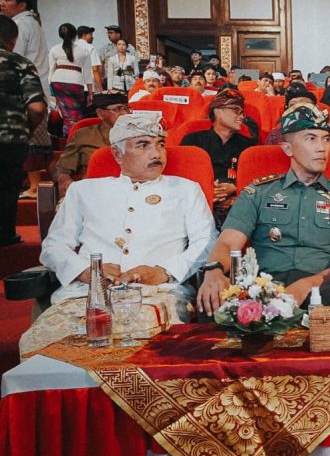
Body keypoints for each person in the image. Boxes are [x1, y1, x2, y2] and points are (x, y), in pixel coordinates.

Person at [27, 111, 216, 354]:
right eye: (142, 145)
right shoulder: (84, 191)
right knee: (46, 345)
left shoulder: (186, 190)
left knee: (134, 342)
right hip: (85, 296)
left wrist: (164, 272)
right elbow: (54, 247)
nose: (156, 153)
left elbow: (207, 242)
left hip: (156, 295)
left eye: (160, 145)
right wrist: (87, 272)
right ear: (117, 154)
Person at [197, 103, 330, 315]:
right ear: (287, 148)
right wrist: (214, 271)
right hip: (263, 285)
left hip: (318, 288)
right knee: (212, 299)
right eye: (311, 138)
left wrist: (306, 286)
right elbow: (228, 243)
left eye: (326, 139)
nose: (322, 148)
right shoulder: (258, 192)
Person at [0, 15, 47, 247]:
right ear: (12, 39)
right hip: (10, 138)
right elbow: (37, 107)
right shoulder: (19, 63)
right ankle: (5, 236)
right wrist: (25, 129)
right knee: (7, 188)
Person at [180, 89, 257, 225]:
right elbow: (181, 177)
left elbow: (256, 180)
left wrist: (235, 187)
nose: (241, 116)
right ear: (218, 111)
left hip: (236, 207)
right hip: (196, 205)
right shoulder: (192, 140)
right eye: (235, 110)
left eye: (242, 112)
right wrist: (208, 189)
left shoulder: (249, 145)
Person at [51, 91, 129, 196]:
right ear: (100, 114)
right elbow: (61, 168)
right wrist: (64, 178)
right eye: (118, 109)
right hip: (93, 193)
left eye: (126, 108)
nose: (125, 113)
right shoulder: (83, 136)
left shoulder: (139, 136)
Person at [0, 0, 48, 76]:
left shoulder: (19, 24)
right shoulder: (31, 22)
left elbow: (14, 57)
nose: (1, 3)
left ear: (22, 5)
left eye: (7, 0)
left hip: (26, 83)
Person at [75, 25, 104, 92]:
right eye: (90, 34)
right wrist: (101, 90)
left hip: (75, 85)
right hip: (88, 87)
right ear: (84, 35)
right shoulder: (90, 48)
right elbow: (95, 69)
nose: (92, 37)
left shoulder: (72, 47)